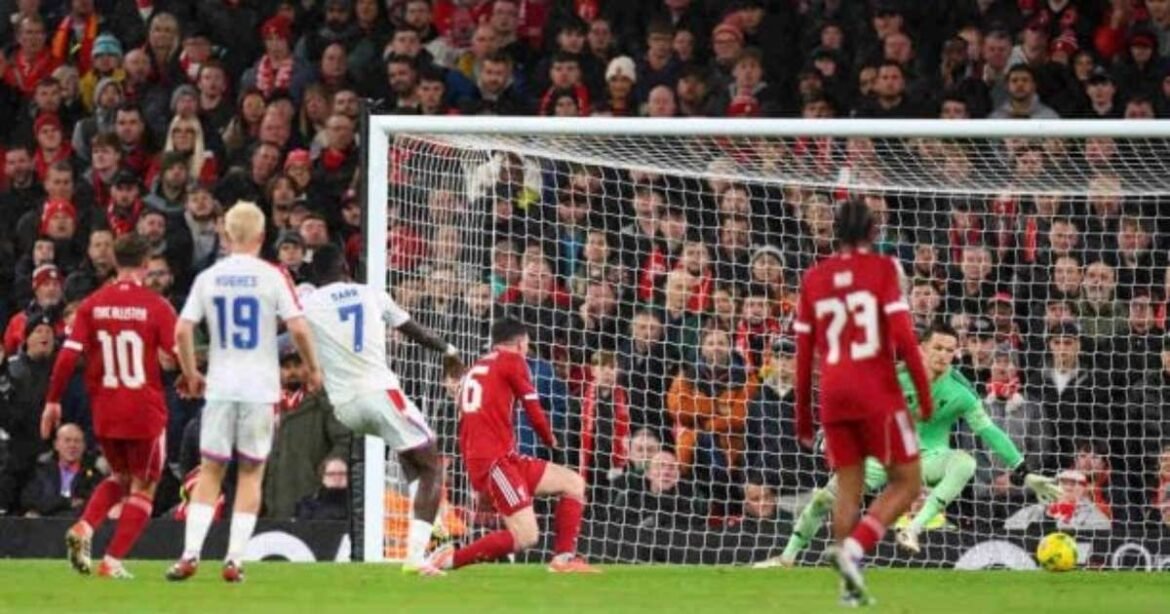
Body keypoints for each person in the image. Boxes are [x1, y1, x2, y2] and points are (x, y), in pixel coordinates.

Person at [765, 321, 1061, 566]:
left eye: (950, 350)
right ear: (922, 348)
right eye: (938, 348)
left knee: (965, 462)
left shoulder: (961, 392)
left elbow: (990, 431)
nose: (943, 355)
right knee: (823, 500)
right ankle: (786, 557)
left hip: (929, 458)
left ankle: (914, 529)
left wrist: (1023, 471)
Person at [166, 201, 323, 583]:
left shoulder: (210, 277)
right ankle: (234, 559)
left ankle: (190, 553)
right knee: (252, 473)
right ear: (262, 236)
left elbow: (182, 330)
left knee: (211, 470)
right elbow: (298, 328)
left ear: (226, 234)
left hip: (221, 386)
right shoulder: (272, 276)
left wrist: (190, 372)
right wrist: (313, 368)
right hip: (260, 388)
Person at [790, 199, 933, 606]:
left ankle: (848, 588)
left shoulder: (814, 278)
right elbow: (905, 340)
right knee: (907, 481)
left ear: (834, 233)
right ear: (873, 232)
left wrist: (803, 416)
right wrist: (924, 397)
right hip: (875, 389)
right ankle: (852, 550)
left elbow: (804, 355)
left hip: (834, 392)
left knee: (847, 489)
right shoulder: (884, 270)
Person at [300, 243, 463, 572]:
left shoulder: (309, 303)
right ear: (346, 267)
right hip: (380, 393)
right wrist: (449, 350)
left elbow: (289, 336)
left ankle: (435, 539)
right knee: (432, 464)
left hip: (345, 407)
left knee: (409, 455)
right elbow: (415, 332)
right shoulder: (371, 294)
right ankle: (417, 556)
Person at [41, 234, 180, 578]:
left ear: (116, 262)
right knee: (144, 487)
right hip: (144, 411)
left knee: (120, 477)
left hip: (105, 410)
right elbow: (175, 354)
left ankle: (84, 527)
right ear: (145, 264)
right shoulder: (157, 306)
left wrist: (53, 400)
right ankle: (112, 561)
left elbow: (67, 357)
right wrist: (189, 372)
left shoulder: (92, 305)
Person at [424, 317, 598, 575]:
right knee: (527, 536)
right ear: (520, 343)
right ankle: (448, 560)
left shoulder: (477, 366)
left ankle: (563, 559)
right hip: (495, 462)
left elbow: (467, 420)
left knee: (573, 483)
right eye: (527, 344)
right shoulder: (513, 361)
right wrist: (550, 439)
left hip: (500, 458)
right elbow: (533, 409)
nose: (527, 349)